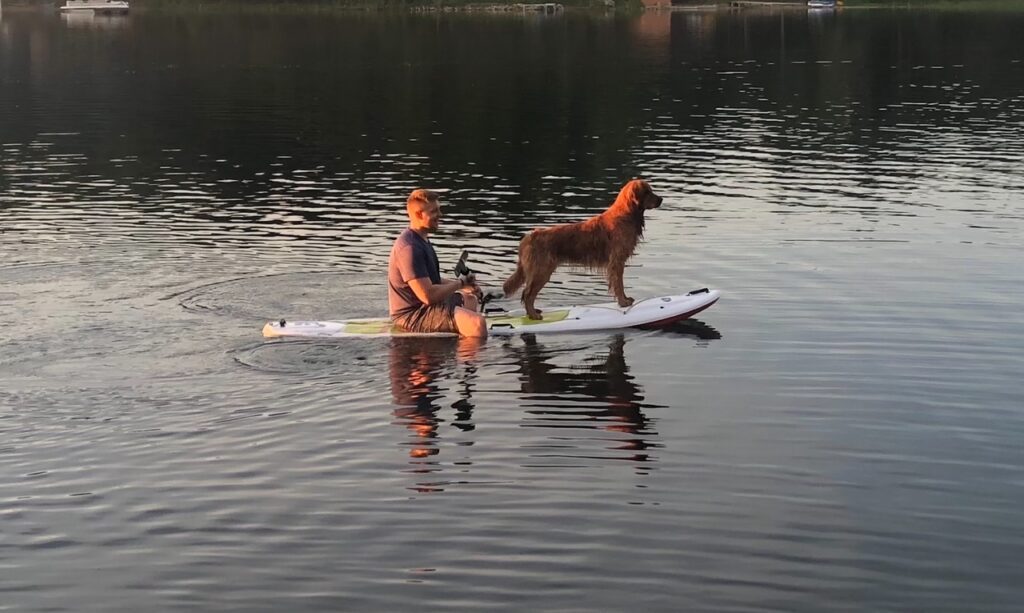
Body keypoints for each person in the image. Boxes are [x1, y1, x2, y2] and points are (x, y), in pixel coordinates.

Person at [388, 189, 487, 337]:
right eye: (435, 211)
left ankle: (458, 338)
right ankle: (465, 357)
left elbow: (431, 281)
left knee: (470, 300)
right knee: (477, 324)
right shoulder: (410, 248)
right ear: (418, 215)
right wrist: (459, 284)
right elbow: (428, 296)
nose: (440, 215)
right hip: (411, 316)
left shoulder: (422, 240)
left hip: (425, 307)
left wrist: (464, 285)